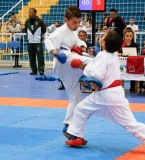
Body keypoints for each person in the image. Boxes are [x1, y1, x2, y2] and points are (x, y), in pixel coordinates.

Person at [64, 30, 145, 157]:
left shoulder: (103, 55)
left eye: (103, 36)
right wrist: (85, 61)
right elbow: (97, 65)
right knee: (129, 123)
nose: (101, 37)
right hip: (117, 94)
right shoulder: (112, 55)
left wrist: (83, 68)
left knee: (80, 109)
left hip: (106, 94)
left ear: (104, 42)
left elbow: (97, 74)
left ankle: (77, 137)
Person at [44, 6, 93, 137]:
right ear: (66, 20)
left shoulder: (72, 32)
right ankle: (89, 78)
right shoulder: (61, 31)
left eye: (78, 22)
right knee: (93, 62)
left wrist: (83, 47)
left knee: (75, 97)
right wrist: (55, 52)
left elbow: (79, 42)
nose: (77, 25)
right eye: (74, 22)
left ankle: (67, 126)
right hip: (63, 60)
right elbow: (48, 40)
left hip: (67, 67)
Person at [24, 8, 46, 75]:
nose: (29, 13)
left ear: (34, 13)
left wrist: (37, 36)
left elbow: (44, 30)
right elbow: (26, 29)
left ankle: (41, 70)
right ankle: (34, 70)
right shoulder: (27, 21)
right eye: (29, 12)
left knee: (40, 57)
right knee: (31, 57)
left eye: (30, 12)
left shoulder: (39, 21)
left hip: (37, 42)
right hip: (30, 42)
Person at [119, 27, 138, 92]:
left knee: (134, 68)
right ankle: (119, 86)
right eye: (127, 36)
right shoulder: (120, 44)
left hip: (132, 63)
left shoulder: (135, 45)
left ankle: (133, 86)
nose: (128, 38)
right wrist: (119, 54)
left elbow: (136, 55)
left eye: (130, 36)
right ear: (124, 36)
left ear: (132, 36)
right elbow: (116, 52)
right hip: (121, 64)